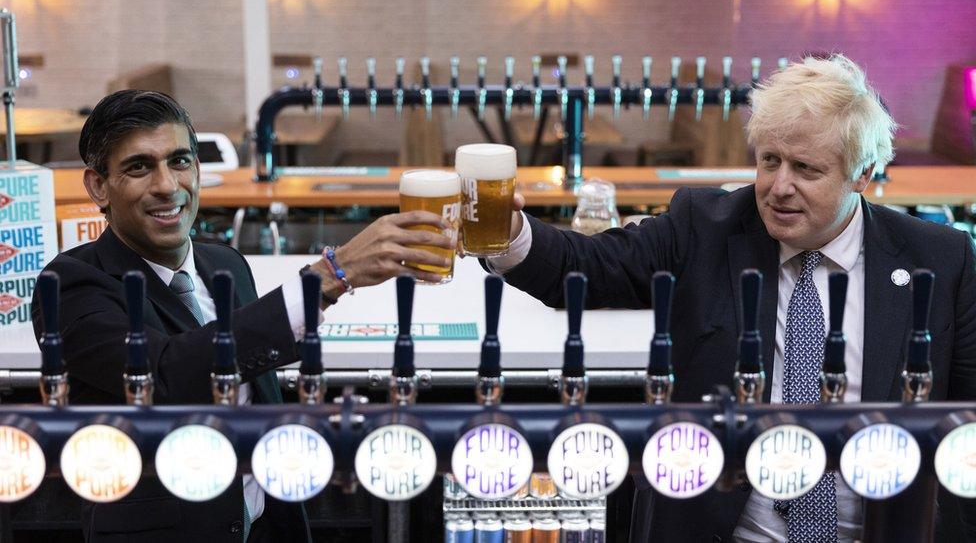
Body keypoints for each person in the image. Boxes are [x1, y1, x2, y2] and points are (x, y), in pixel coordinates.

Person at [487, 55, 976, 542]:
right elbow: (588, 267)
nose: (778, 187)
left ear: (862, 173)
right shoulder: (704, 227)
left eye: (805, 169)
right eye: (769, 160)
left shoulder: (940, 260)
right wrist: (507, 234)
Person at [32, 89, 455, 542]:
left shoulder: (226, 264)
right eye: (139, 167)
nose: (167, 185)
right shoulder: (71, 284)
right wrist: (329, 277)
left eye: (179, 161)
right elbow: (166, 375)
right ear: (98, 186)